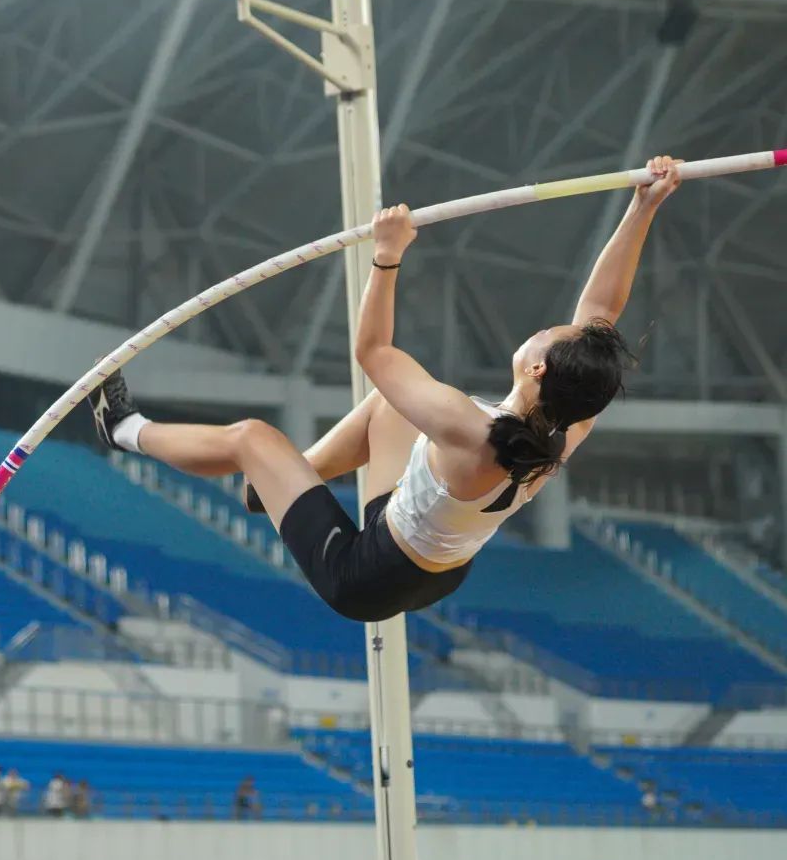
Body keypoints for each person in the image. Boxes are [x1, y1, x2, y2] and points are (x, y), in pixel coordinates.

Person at [90, 157, 682, 623]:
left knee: (252, 438)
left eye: (545, 336)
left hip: (364, 576)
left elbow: (373, 352)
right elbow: (601, 310)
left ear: (537, 370)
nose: (542, 330)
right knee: (390, 408)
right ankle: (271, 489)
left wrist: (387, 254)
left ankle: (122, 429)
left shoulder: (464, 426)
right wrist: (643, 207)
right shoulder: (570, 424)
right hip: (435, 565)